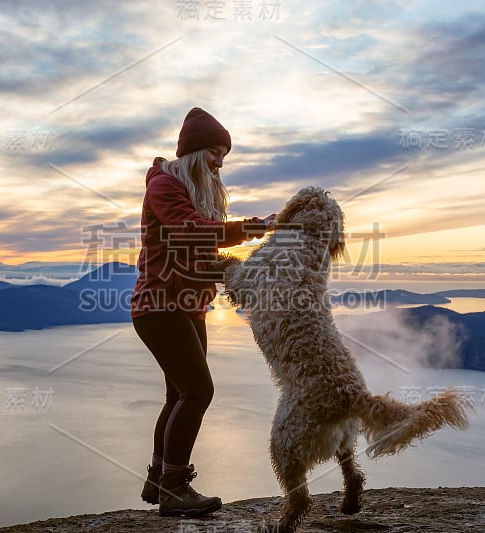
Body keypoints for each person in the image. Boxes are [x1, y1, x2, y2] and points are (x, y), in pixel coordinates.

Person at [130, 107, 275, 517]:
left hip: (188, 307)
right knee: (199, 391)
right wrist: (254, 227)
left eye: (224, 155)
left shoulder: (187, 191)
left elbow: (200, 253)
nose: (220, 162)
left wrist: (251, 267)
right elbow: (190, 230)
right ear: (193, 152)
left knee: (179, 394)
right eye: (214, 152)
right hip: (159, 305)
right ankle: (175, 488)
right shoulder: (164, 185)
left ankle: (160, 479)